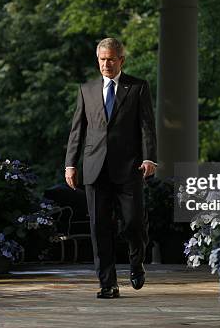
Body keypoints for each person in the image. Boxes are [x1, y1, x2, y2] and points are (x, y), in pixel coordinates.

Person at [65, 37, 157, 299]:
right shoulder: (87, 90)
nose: (106, 64)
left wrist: (149, 157)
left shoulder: (137, 87)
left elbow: (146, 126)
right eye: (102, 60)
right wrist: (70, 164)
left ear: (121, 60)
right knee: (99, 227)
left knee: (133, 223)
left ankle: (136, 263)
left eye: (111, 59)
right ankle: (108, 283)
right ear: (98, 60)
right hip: (95, 169)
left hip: (129, 169)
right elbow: (77, 130)